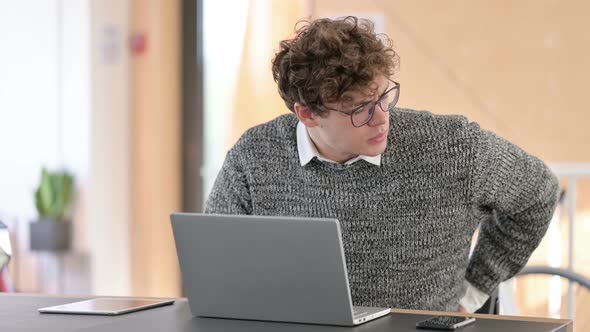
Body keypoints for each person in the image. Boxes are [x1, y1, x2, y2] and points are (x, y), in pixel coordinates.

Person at [204, 16, 559, 313]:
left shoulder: (454, 146)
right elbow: (214, 259)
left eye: (383, 96)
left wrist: (475, 288)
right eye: (359, 109)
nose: (381, 118)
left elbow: (538, 192)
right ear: (308, 114)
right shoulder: (254, 156)